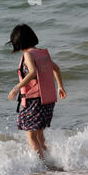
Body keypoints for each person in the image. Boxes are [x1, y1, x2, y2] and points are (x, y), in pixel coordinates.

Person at [7, 24, 67, 159]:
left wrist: (17, 87)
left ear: (19, 42)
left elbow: (33, 72)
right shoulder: (43, 53)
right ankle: (49, 159)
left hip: (34, 100)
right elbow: (56, 69)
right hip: (48, 100)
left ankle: (40, 165)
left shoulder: (28, 54)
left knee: (31, 135)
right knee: (39, 135)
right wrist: (60, 87)